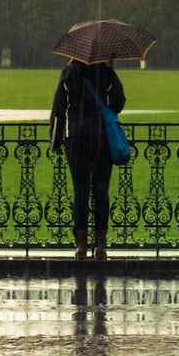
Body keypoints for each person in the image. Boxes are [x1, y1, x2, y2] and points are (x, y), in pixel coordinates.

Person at [50, 57, 125, 260]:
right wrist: (110, 70)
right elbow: (118, 104)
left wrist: (55, 142)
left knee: (80, 190)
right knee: (101, 190)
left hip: (76, 136)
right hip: (101, 137)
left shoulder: (68, 73)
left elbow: (58, 109)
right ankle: (100, 245)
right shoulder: (104, 72)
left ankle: (81, 246)